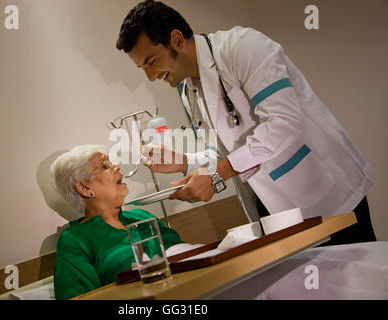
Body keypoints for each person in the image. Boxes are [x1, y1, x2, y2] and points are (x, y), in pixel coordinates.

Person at [116, 0, 376, 245]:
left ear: (176, 40)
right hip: (273, 207)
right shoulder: (190, 89)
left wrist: (219, 172)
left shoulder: (243, 47)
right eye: (144, 69)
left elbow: (283, 122)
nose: (151, 77)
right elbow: (227, 152)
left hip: (324, 192)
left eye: (152, 62)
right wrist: (184, 162)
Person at [50, 144, 184, 300]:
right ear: (85, 188)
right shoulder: (74, 239)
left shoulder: (142, 216)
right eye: (105, 165)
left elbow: (183, 255)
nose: (117, 166)